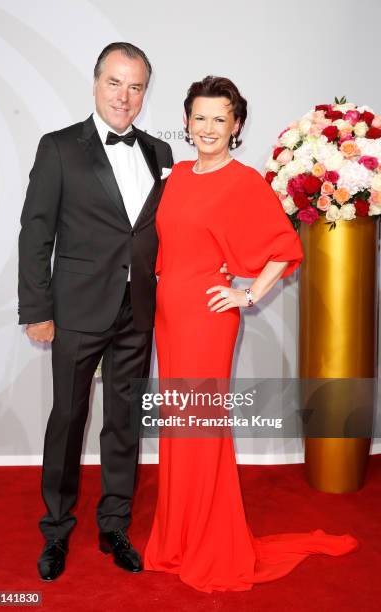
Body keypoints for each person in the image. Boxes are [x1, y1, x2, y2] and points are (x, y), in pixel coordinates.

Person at [144, 76, 358, 592]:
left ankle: (209, 541)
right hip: (169, 320)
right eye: (200, 117)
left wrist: (247, 294)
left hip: (206, 321)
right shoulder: (176, 178)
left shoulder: (242, 181)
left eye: (220, 118)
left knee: (201, 428)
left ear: (236, 125)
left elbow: (285, 248)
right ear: (187, 121)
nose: (208, 127)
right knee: (181, 426)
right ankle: (179, 536)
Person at [18, 42, 174, 581]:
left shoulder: (160, 152)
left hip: (138, 311)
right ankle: (57, 530)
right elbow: (36, 233)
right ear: (95, 83)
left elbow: (162, 232)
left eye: (135, 87)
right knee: (68, 420)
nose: (124, 97)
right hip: (76, 310)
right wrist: (37, 309)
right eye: (115, 83)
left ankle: (114, 523)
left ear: (144, 94)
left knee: (124, 422)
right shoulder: (59, 147)